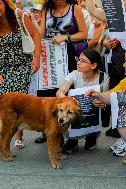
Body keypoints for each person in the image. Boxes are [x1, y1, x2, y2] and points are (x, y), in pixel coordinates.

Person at [87, 0, 126, 157]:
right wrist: (107, 43)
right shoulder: (114, 12)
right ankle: (124, 136)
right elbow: (90, 9)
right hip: (115, 61)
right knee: (120, 98)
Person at [0, 0, 41, 148]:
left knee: (17, 103)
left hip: (21, 65)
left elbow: (36, 36)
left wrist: (36, 59)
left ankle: (19, 137)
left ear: (5, 2)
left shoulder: (19, 15)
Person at [34, 0, 88, 144]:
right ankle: (48, 131)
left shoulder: (74, 8)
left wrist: (66, 37)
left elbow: (84, 33)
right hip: (50, 54)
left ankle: (70, 137)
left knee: (66, 93)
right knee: (47, 94)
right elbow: (42, 32)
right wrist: (36, 43)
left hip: (69, 55)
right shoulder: (46, 8)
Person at [57, 48, 109, 153]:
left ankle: (92, 137)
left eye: (83, 61)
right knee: (65, 113)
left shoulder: (103, 77)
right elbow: (60, 92)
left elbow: (106, 98)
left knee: (100, 112)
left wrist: (102, 104)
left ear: (94, 66)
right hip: (76, 108)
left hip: (93, 110)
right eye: (79, 59)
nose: (78, 63)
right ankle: (72, 140)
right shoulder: (75, 74)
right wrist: (68, 102)